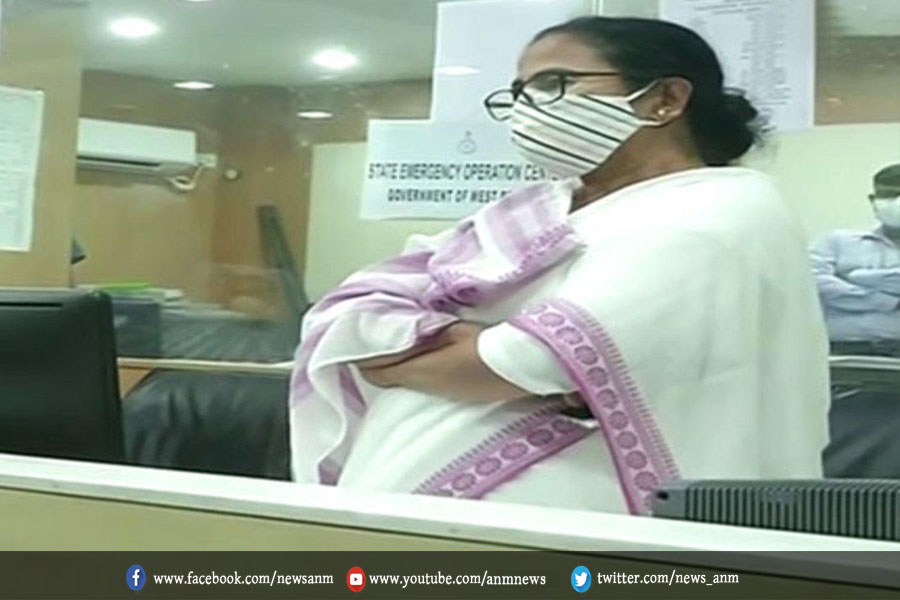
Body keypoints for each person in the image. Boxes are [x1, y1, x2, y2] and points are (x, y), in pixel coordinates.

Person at [289, 16, 829, 514]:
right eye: (520, 93)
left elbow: (519, 362)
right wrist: (444, 344)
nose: (529, 110)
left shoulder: (716, 209)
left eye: (554, 84)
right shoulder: (539, 210)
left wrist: (392, 356)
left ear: (664, 99)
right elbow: (356, 310)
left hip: (589, 537)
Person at [810, 164, 900, 351]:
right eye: (889, 195)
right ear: (873, 200)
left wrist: (854, 279)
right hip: (839, 352)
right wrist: (891, 302)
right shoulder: (836, 242)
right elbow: (813, 282)